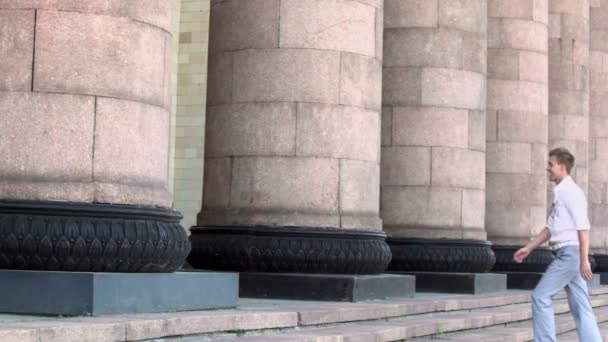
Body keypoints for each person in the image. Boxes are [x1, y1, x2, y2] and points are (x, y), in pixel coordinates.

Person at [513, 147, 602, 342]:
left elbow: (583, 228)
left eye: (550, 164)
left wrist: (584, 260)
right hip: (570, 254)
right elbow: (551, 229)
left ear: (562, 167)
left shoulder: (571, 192)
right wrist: (529, 248)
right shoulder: (561, 192)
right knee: (581, 307)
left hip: (571, 255)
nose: (547, 168)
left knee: (540, 297)